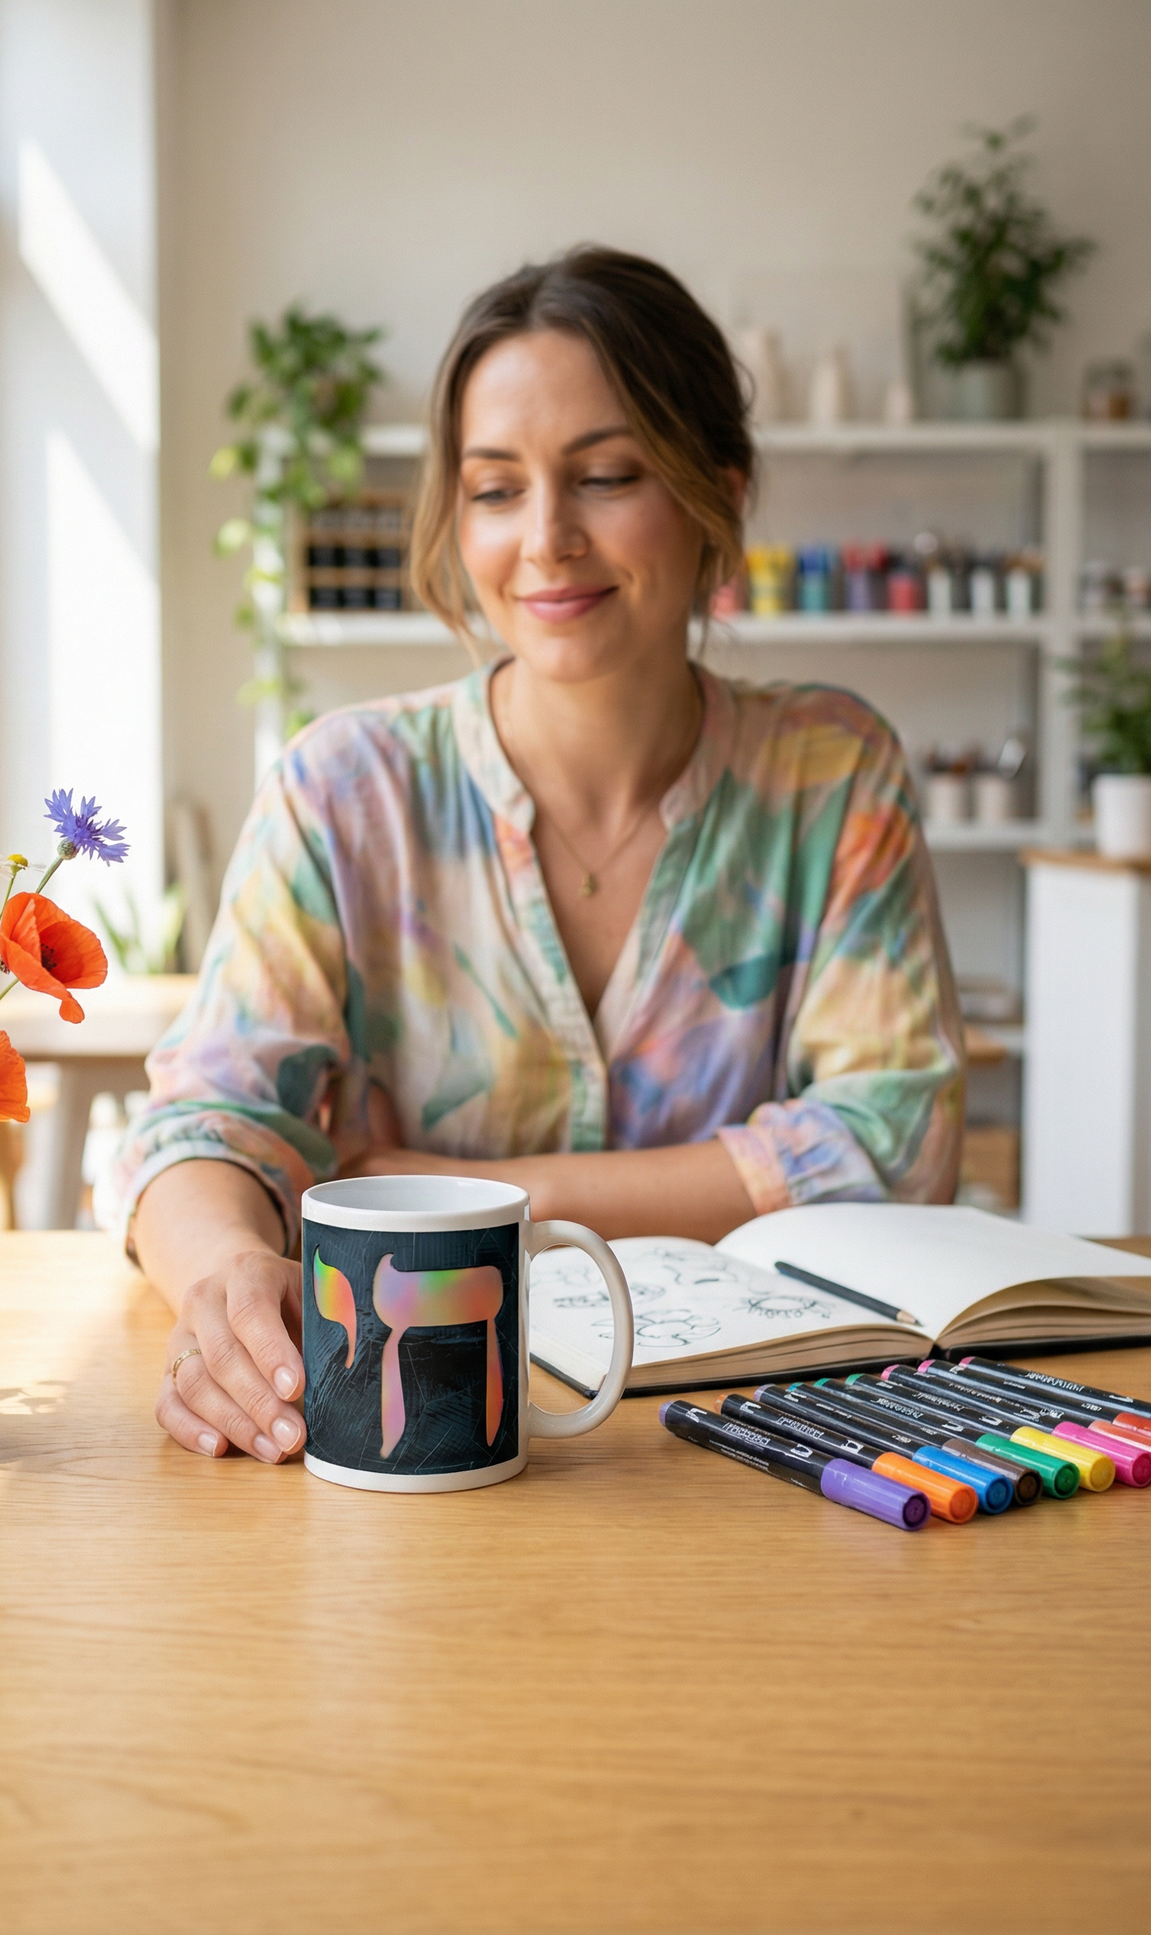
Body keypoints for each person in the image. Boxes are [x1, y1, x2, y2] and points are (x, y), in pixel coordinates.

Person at [106, 246, 964, 1465]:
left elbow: (891, 1139)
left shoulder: (831, 773)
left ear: (716, 494)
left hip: (757, 1453)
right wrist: (231, 1273)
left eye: (607, 476)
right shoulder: (343, 789)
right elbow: (202, 1124)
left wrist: (490, 1194)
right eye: (494, 489)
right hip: (416, 1448)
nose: (546, 538)